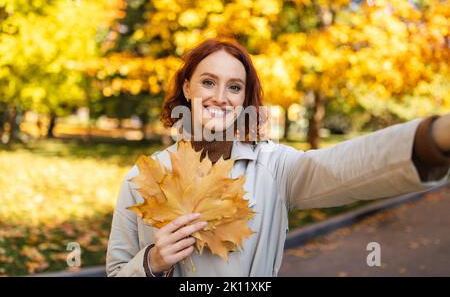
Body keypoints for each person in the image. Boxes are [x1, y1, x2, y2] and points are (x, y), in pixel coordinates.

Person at [106, 38, 450, 277]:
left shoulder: (272, 166)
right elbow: (118, 270)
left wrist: (433, 137)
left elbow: (343, 168)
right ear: (187, 88)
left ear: (244, 99)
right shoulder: (145, 176)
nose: (221, 97)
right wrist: (152, 262)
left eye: (234, 87)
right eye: (208, 82)